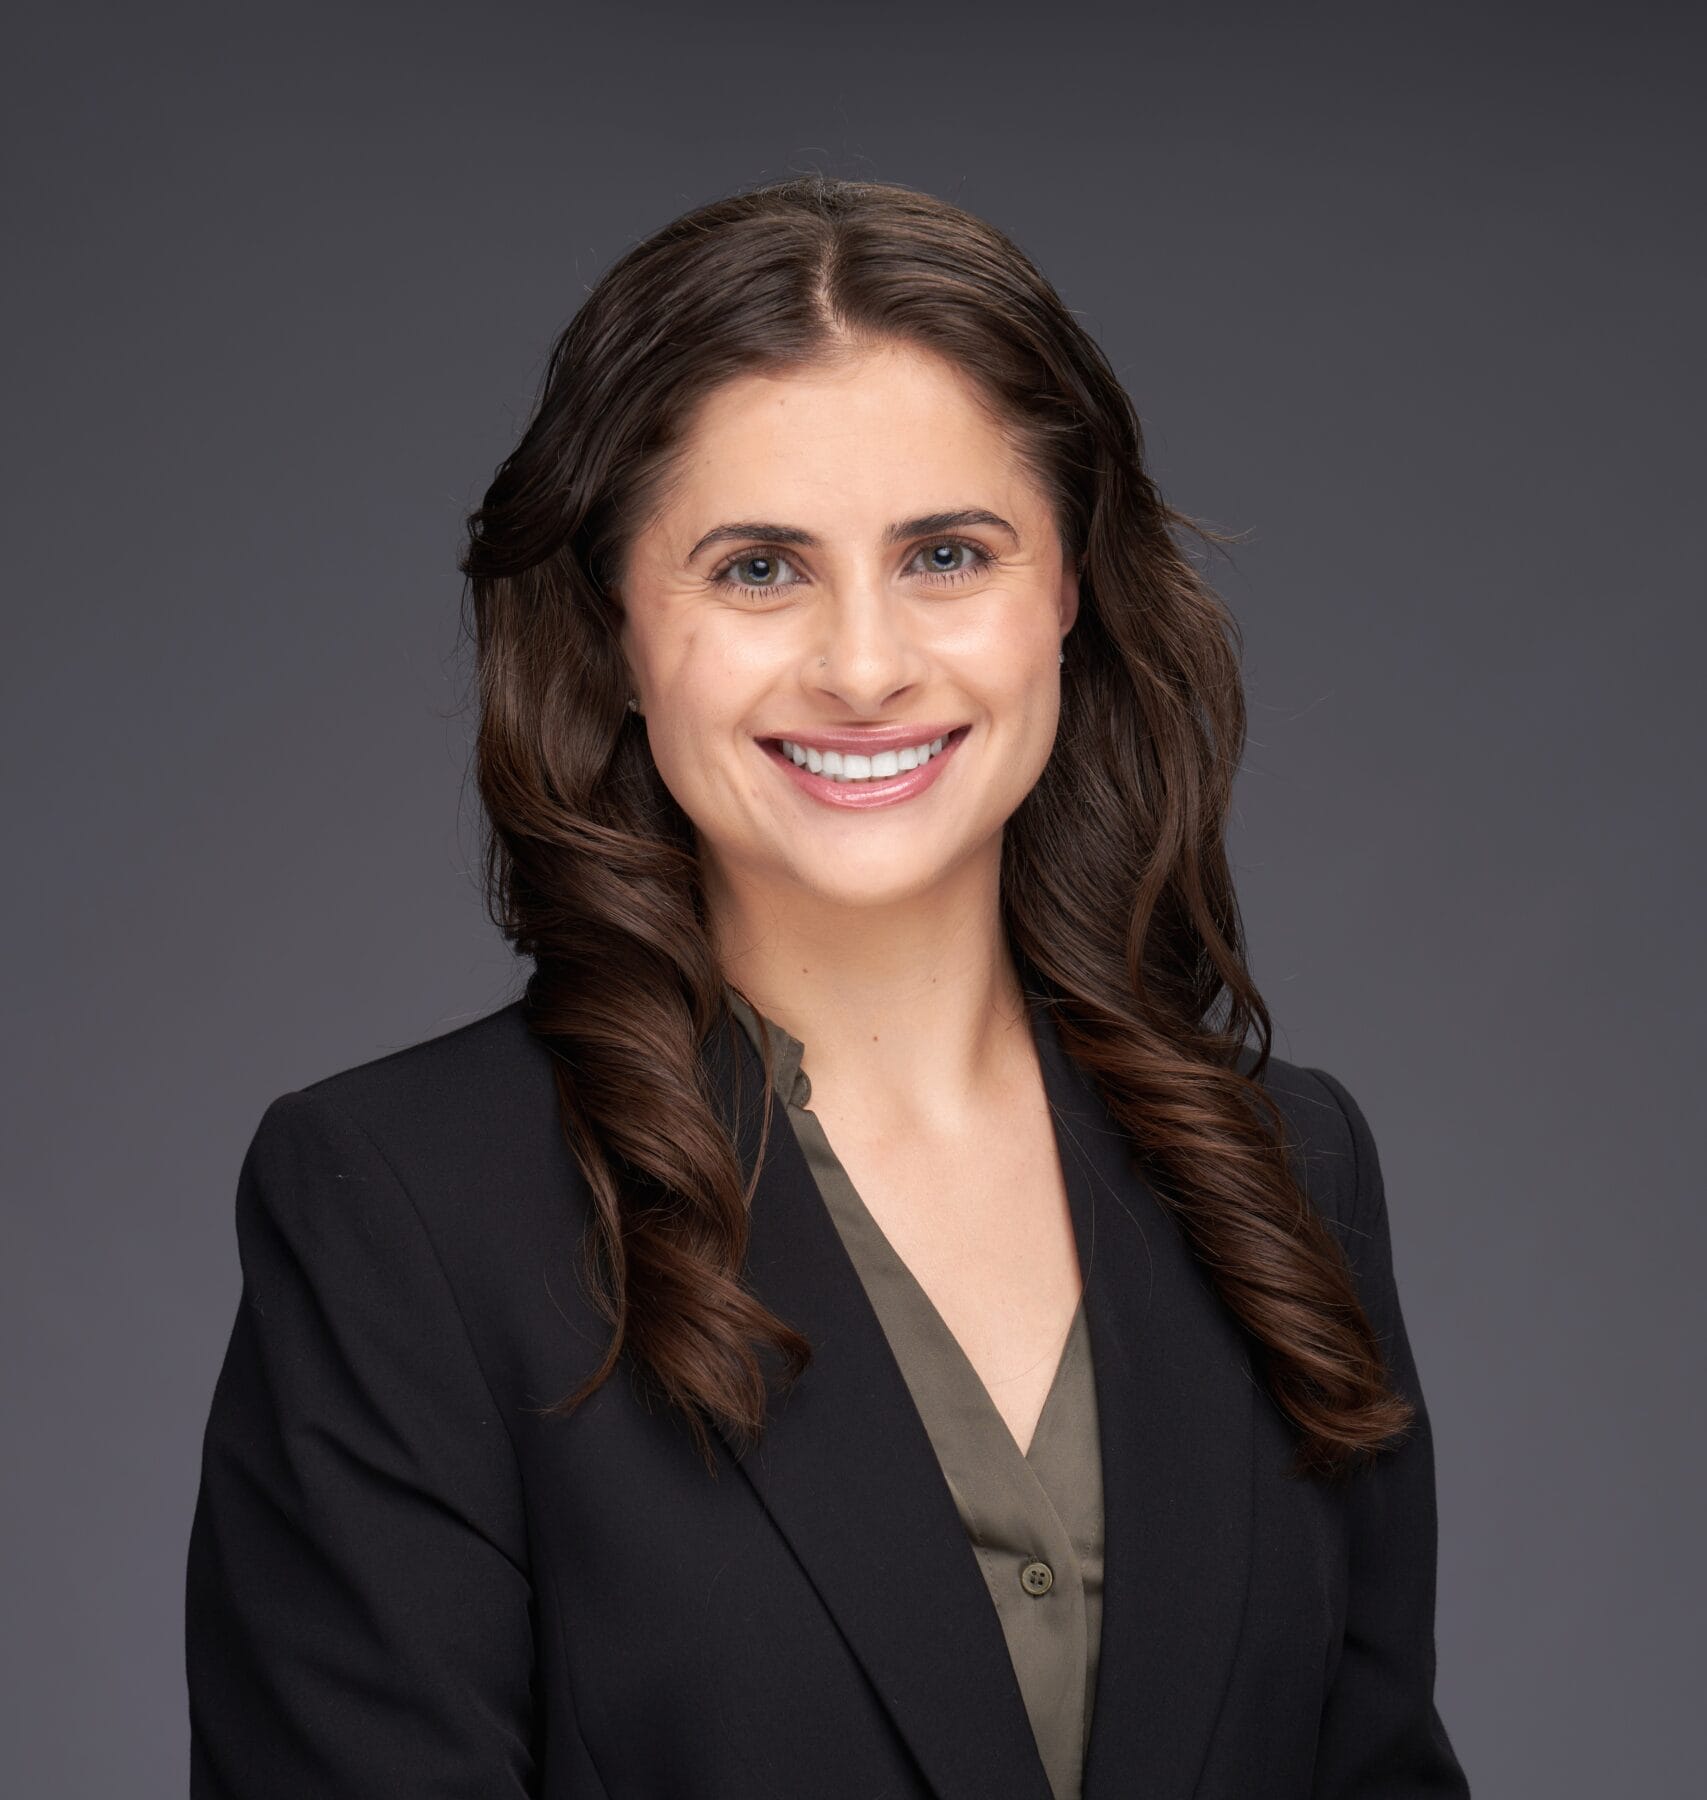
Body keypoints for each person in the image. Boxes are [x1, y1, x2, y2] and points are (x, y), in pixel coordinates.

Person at [185, 175, 1471, 1799]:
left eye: (947, 552)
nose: (865, 667)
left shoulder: (1289, 1169)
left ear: (1065, 592)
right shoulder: (404, 1212)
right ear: (615, 627)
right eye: (757, 570)